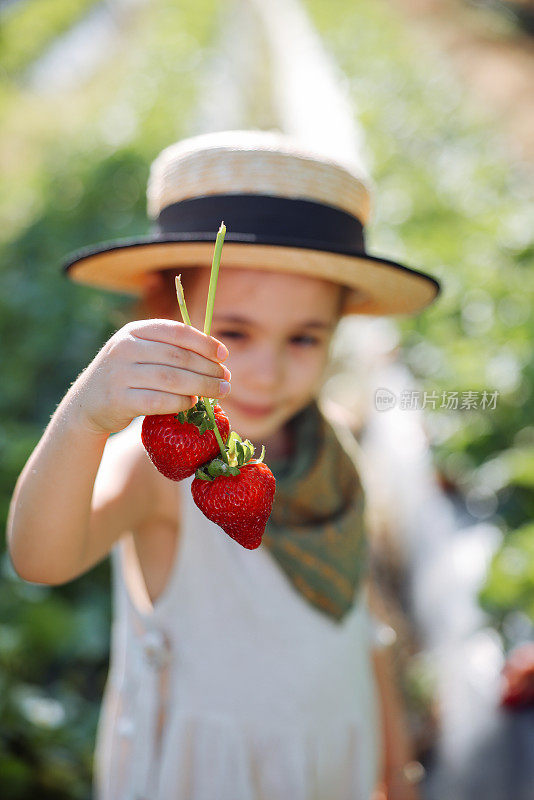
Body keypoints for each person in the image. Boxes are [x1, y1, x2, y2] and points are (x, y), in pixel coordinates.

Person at [7, 129, 440, 800]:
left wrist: (393, 768)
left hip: (334, 755)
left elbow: (356, 616)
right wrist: (88, 415)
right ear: (163, 317)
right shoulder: (160, 469)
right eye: (233, 332)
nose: (264, 373)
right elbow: (41, 559)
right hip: (213, 772)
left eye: (304, 338)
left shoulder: (328, 452)